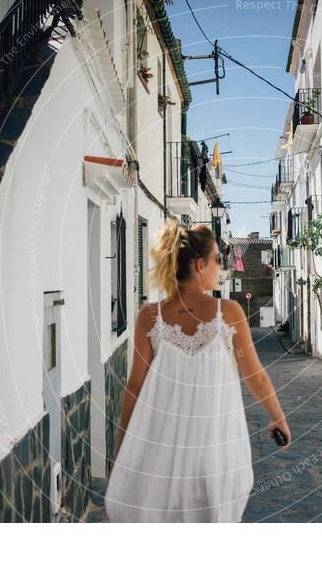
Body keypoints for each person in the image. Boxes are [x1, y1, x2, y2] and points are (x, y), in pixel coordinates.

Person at [103, 220, 291, 523]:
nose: (222, 266)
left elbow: (134, 388)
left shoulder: (149, 317)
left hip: (160, 459)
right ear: (201, 265)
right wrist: (277, 416)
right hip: (216, 459)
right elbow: (255, 376)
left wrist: (121, 453)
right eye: (218, 259)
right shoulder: (229, 313)